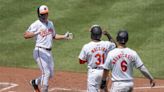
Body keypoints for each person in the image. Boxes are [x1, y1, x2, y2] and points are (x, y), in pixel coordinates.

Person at [24, 5, 72, 92]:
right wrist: (37, 32)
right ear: (39, 15)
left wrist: (64, 36)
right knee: (46, 73)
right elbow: (26, 35)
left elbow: (54, 36)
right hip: (39, 50)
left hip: (49, 52)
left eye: (46, 14)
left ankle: (35, 82)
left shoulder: (50, 23)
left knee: (50, 74)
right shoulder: (36, 24)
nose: (45, 16)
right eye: (43, 14)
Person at [78, 25, 116, 92]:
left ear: (91, 35)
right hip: (105, 73)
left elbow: (81, 61)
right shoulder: (106, 44)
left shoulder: (87, 46)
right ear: (100, 35)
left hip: (93, 73)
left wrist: (89, 59)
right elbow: (115, 45)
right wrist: (108, 34)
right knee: (104, 90)